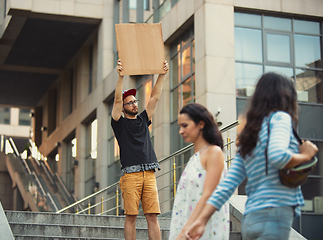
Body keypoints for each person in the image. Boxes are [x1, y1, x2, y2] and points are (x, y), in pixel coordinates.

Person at [186, 72, 319, 240]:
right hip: (275, 213)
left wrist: (202, 220)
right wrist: (305, 156)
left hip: (251, 219)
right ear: (286, 95)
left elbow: (228, 184)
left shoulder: (250, 133)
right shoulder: (280, 117)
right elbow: (277, 156)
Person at [111, 59, 169, 240]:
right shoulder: (118, 123)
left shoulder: (144, 119)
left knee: (152, 217)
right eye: (130, 102)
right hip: (130, 176)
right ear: (123, 107)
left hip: (149, 173)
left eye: (135, 101)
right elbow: (116, 99)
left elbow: (154, 97)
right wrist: (121, 76)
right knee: (131, 217)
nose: (135, 104)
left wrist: (162, 75)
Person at [169, 103, 229, 240]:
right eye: (180, 126)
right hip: (187, 226)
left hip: (201, 230)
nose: (180, 131)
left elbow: (208, 194)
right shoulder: (194, 159)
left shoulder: (214, 152)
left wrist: (184, 233)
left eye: (185, 125)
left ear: (201, 124)